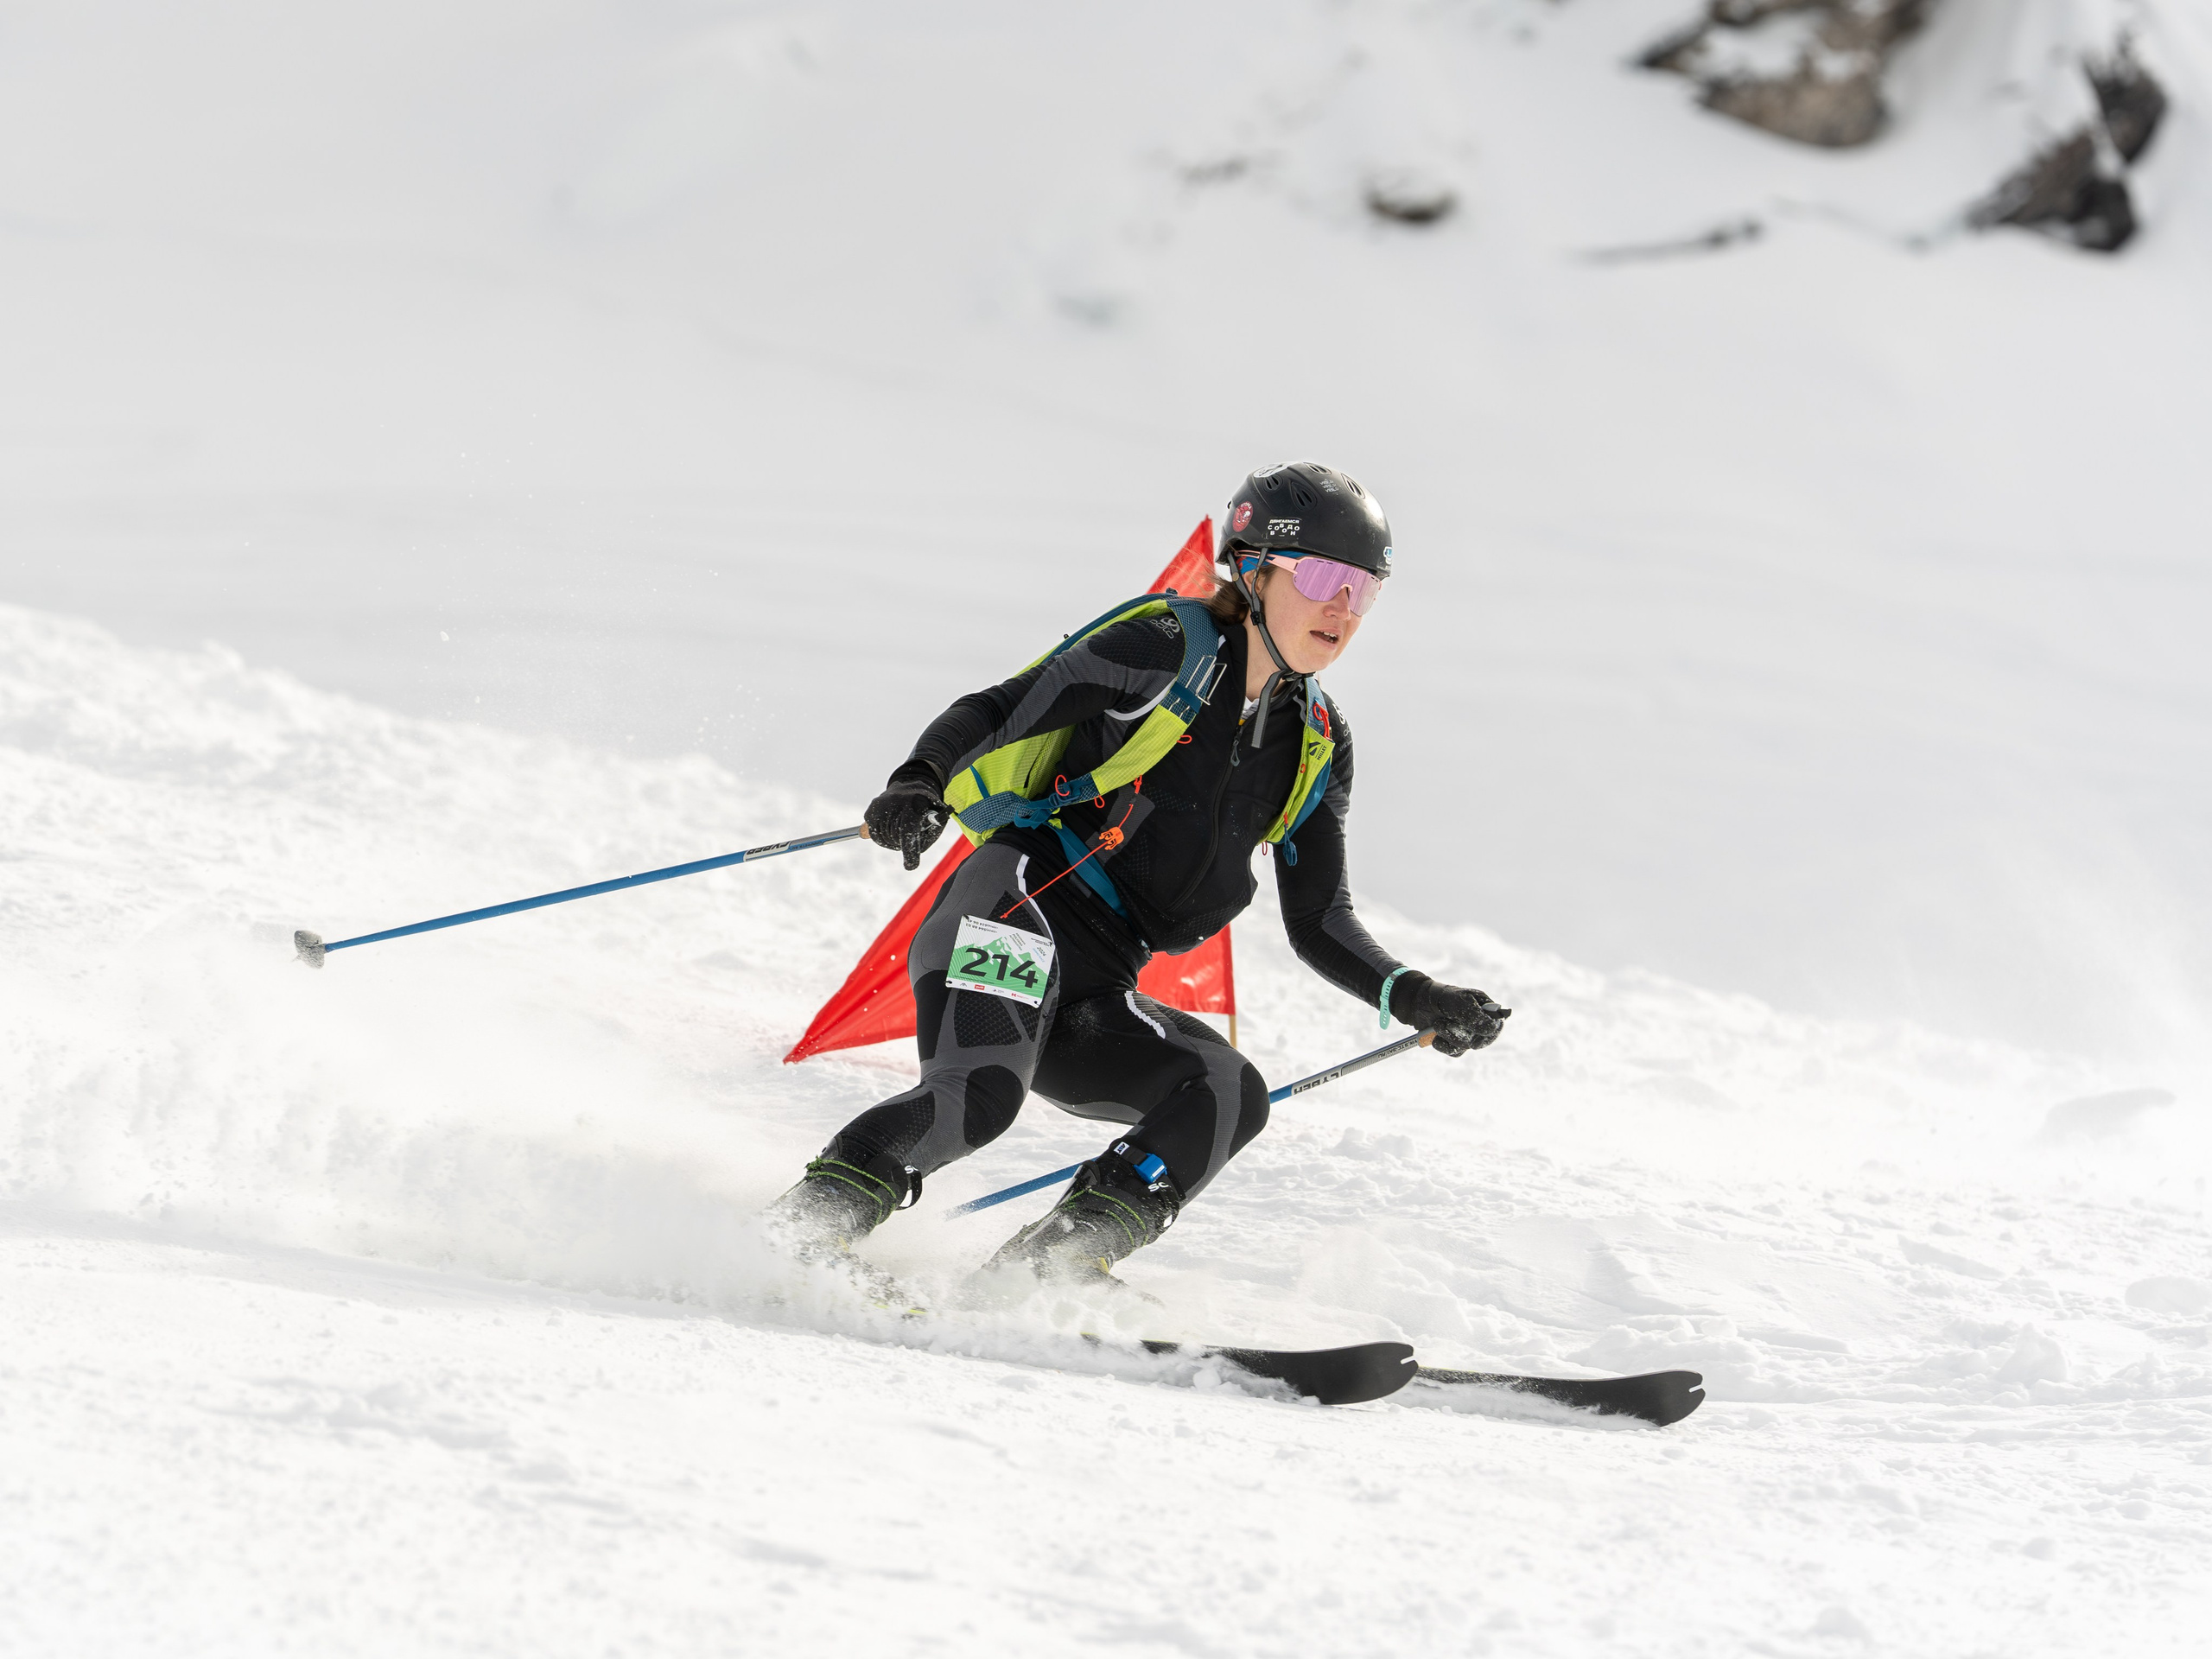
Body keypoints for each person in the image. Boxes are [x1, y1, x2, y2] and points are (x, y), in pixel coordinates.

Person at [764, 461, 1509, 1284]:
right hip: (1014, 912)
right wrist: (918, 780)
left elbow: (1319, 918)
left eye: (1364, 589)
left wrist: (1416, 996)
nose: (1343, 606)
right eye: (1325, 576)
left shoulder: (1318, 743)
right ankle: (796, 1234)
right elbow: (999, 707)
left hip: (1098, 984)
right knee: (974, 1101)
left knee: (1228, 1092)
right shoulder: (1164, 650)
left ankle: (1046, 1274)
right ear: (1253, 568)